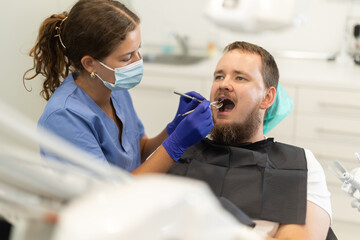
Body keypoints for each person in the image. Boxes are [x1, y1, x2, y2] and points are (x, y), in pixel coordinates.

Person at [23, 0, 213, 175]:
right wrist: (176, 144)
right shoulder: (64, 117)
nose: (139, 61)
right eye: (127, 57)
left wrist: (173, 128)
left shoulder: (115, 89)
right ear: (90, 63)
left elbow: (140, 150)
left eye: (138, 49)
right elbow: (109, 196)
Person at [168, 41, 332, 239]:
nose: (223, 84)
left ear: (267, 97)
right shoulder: (178, 152)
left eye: (240, 78)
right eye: (219, 76)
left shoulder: (301, 164)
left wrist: (226, 229)